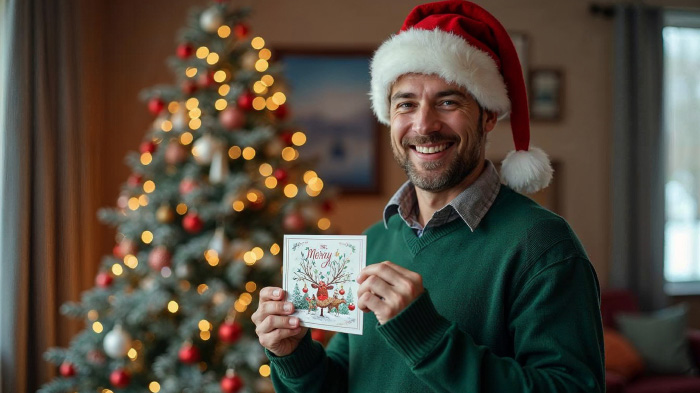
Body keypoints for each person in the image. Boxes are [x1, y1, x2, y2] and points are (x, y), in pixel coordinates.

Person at [251, 1, 605, 391]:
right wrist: (293, 355)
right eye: (406, 103)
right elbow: (347, 382)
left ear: (488, 116)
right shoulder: (372, 242)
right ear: (389, 117)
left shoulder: (542, 246)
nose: (424, 125)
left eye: (448, 101)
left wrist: (426, 338)